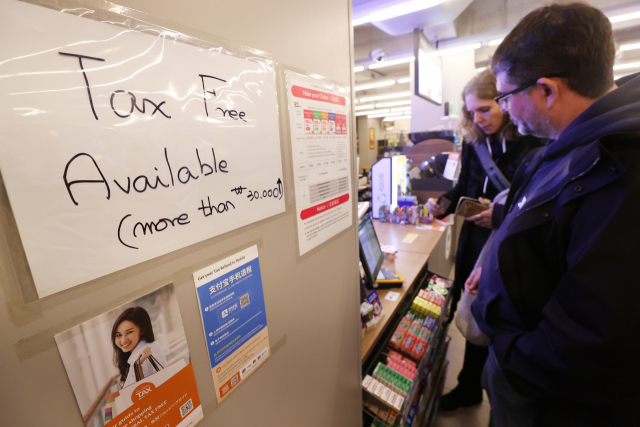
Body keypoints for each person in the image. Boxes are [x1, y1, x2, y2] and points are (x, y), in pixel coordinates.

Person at [471, 3, 640, 426]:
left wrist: (509, 353)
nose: (504, 109)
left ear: (547, 90)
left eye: (507, 96)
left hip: (548, 397)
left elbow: (594, 335)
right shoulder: (566, 147)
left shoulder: (618, 168)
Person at [427, 69, 540, 412]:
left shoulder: (533, 139)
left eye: (485, 109)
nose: (478, 118)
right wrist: (441, 206)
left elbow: (539, 203)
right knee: (475, 311)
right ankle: (468, 388)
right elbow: (465, 189)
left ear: (505, 102)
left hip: (514, 244)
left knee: (503, 316)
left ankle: (500, 393)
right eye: (471, 112)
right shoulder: (475, 141)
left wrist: (501, 215)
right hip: (475, 240)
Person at [111, 306, 167, 389]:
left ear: (142, 330)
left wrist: (138, 365)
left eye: (129, 332)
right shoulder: (152, 346)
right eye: (119, 335)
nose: (123, 340)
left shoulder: (143, 354)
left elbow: (138, 391)